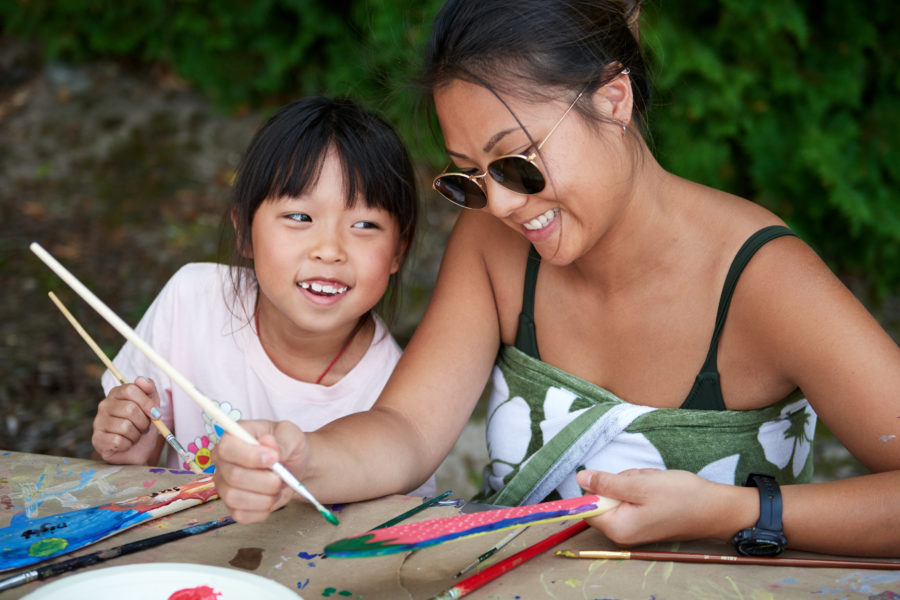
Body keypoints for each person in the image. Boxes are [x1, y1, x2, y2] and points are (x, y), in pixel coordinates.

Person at [213, 1, 900, 557]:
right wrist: (303, 462)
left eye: (516, 163)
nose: (504, 204)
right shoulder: (493, 244)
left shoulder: (763, 280)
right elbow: (408, 430)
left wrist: (738, 511)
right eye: (471, 178)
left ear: (613, 99)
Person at [92, 96, 435, 497]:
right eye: (300, 217)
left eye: (363, 224)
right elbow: (121, 478)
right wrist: (133, 457)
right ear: (244, 231)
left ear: (398, 250)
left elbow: (393, 534)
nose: (329, 249)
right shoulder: (191, 302)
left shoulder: (399, 395)